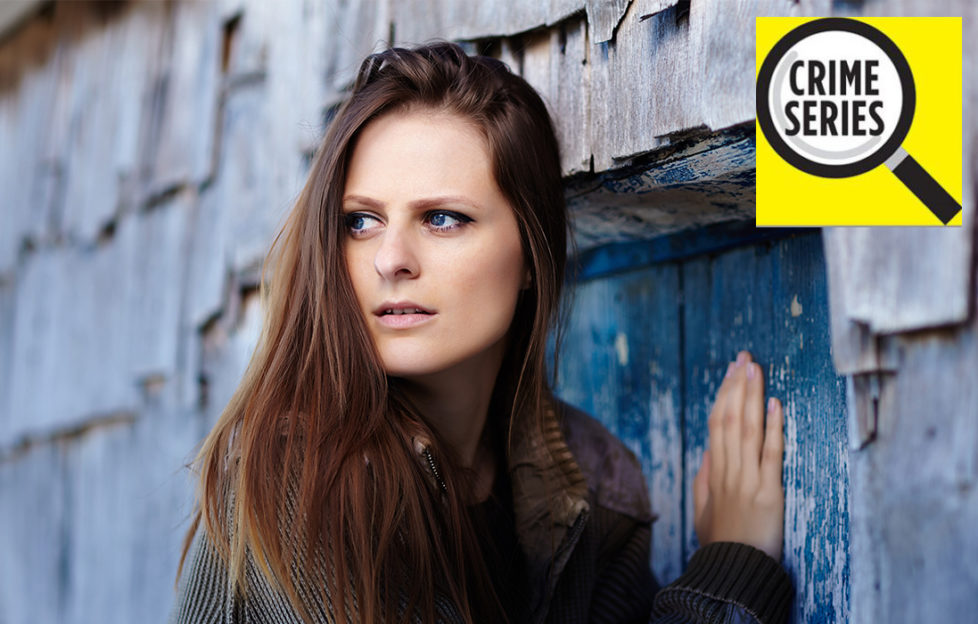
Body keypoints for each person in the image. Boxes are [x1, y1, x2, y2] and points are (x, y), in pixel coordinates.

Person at [170, 42, 792, 624]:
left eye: (442, 218)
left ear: (529, 255)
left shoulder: (594, 491)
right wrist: (727, 574)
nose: (391, 259)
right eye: (360, 222)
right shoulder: (303, 478)